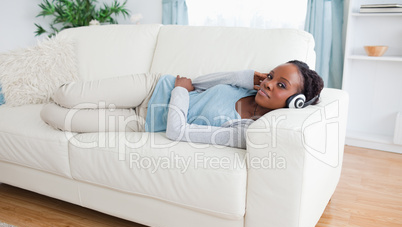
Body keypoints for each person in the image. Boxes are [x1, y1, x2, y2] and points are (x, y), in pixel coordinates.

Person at [40, 60, 323, 149]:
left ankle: (37, 101)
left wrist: (180, 92)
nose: (269, 83)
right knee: (66, 97)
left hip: (144, 123)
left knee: (54, 116)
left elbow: (176, 130)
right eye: (271, 76)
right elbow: (198, 83)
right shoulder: (247, 86)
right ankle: (38, 87)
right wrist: (246, 76)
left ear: (296, 103)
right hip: (150, 87)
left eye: (281, 85)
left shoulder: (243, 131)